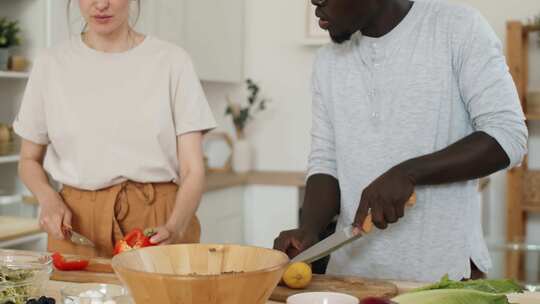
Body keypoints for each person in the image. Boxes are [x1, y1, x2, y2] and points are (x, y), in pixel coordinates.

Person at [274, 0, 528, 282]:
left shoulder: (458, 28)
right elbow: (326, 161)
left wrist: (409, 173)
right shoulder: (327, 61)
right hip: (349, 279)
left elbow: (508, 134)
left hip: (443, 279)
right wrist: (310, 230)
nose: (314, 1)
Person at [14, 0, 216, 257]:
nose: (101, 5)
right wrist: (48, 199)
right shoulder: (50, 64)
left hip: (159, 219)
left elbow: (193, 170)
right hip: (75, 224)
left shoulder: (172, 61)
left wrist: (175, 226)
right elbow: (28, 160)